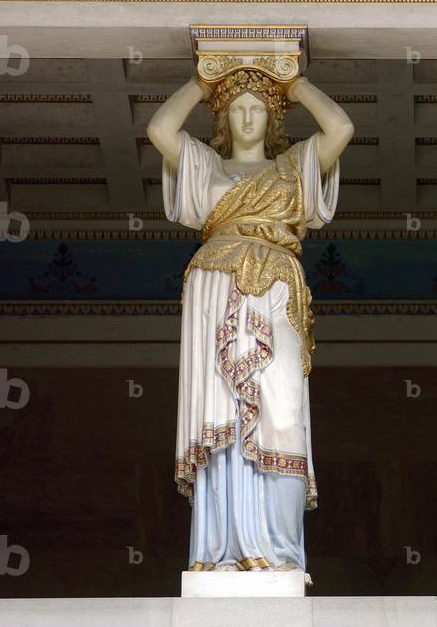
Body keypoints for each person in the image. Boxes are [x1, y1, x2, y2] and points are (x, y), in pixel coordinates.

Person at [146, 70, 354, 581]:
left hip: (275, 284)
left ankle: (280, 552)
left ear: (272, 118)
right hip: (216, 285)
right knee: (221, 411)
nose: (246, 117)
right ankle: (223, 549)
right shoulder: (206, 167)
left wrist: (292, 82)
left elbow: (341, 128)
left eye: (257, 108)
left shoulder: (293, 168)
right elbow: (160, 129)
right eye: (236, 108)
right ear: (222, 118)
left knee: (282, 412)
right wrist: (203, 82)